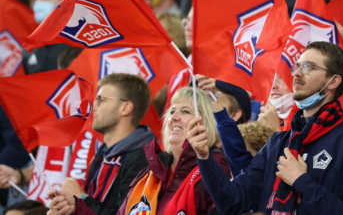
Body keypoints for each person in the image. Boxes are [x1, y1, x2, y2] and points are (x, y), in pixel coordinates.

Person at [187, 41, 343, 214]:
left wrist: (302, 181)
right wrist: (204, 157)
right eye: (297, 66)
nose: (297, 73)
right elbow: (233, 201)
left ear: (333, 81)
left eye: (309, 67)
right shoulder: (280, 142)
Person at [49, 87, 231, 215]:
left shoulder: (218, 168)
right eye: (172, 111)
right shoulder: (150, 172)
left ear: (204, 123)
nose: (174, 117)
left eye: (185, 111)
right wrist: (77, 207)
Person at [46, 73, 156, 215]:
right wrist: (69, 207)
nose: (94, 107)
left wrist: (82, 198)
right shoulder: (103, 154)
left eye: (101, 100)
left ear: (125, 108)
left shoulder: (143, 158)